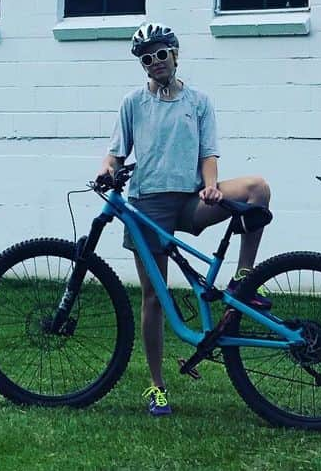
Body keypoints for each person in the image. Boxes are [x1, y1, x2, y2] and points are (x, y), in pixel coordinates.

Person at [95, 22, 271, 418]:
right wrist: (106, 171)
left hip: (192, 200)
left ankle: (243, 280)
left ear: (175, 54)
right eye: (146, 57)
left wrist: (211, 188)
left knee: (257, 188)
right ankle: (157, 386)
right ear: (142, 65)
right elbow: (115, 153)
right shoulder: (133, 103)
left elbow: (209, 154)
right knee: (154, 296)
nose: (155, 61)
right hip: (147, 205)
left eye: (161, 53)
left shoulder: (198, 102)